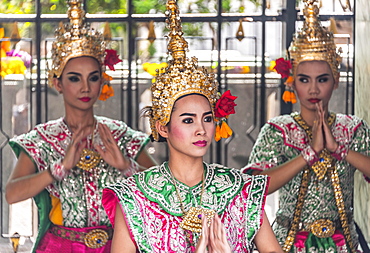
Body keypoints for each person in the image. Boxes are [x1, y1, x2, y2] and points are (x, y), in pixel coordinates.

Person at [102, 1, 283, 252]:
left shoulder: (240, 190)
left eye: (207, 118)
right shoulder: (135, 198)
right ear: (162, 128)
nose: (201, 129)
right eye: (188, 120)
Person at [5, 0, 156, 252]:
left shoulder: (120, 136)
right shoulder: (42, 139)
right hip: (60, 246)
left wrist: (125, 166)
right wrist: (59, 169)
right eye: (74, 78)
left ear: (101, 82)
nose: (85, 87)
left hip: (116, 245)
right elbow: (12, 193)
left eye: (93, 78)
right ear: (58, 83)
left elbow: (162, 189)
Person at [242, 0, 370, 252]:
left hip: (343, 243)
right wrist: (308, 154)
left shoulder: (353, 128)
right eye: (304, 80)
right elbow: (255, 188)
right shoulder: (277, 130)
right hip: (288, 243)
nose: (313, 89)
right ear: (292, 83)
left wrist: (338, 149)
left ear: (336, 80)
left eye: (322, 80)